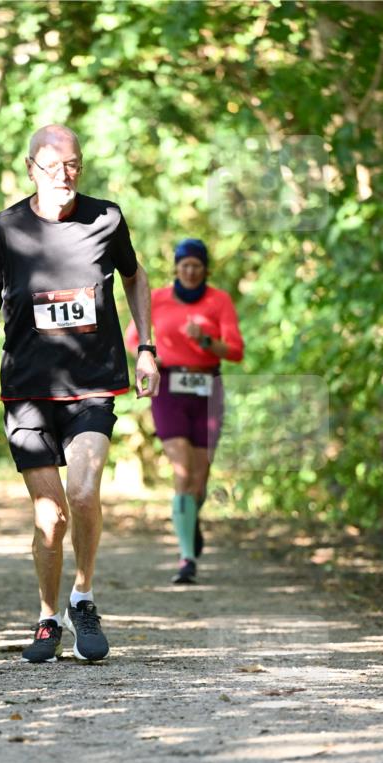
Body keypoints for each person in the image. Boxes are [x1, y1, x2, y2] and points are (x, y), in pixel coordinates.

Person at [0, 124, 159, 664]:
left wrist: (148, 348)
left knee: (84, 493)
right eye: (51, 166)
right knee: (49, 516)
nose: (64, 175)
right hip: (26, 390)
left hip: (92, 384)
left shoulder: (106, 218)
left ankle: (84, 597)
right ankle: (48, 615)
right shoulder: (6, 227)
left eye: (72, 164)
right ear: (30, 168)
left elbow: (136, 277)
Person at [126, 238, 244, 583]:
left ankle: (190, 522)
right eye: (184, 265)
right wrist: (152, 356)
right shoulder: (158, 298)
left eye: (196, 266)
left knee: (200, 477)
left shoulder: (218, 301)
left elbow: (236, 351)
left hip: (207, 388)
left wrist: (206, 341)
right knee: (181, 470)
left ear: (205, 269)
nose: (190, 271)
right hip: (169, 389)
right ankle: (186, 558)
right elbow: (133, 338)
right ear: (176, 268)